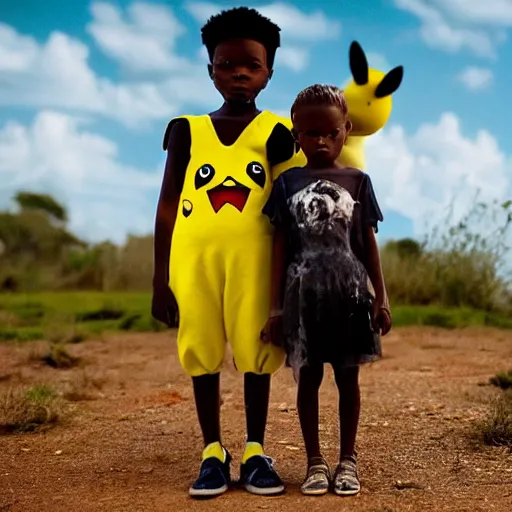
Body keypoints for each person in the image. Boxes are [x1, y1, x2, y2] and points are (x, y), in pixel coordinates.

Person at [151, 6, 305, 499]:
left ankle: (256, 451)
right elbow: (168, 205)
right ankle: (212, 453)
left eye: (252, 65)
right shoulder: (185, 129)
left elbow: (291, 206)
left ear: (269, 72)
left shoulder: (278, 133)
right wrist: (160, 277)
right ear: (210, 68)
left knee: (257, 345)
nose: (239, 73)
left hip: (257, 261)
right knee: (201, 347)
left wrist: (292, 281)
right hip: (191, 261)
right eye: (226, 63)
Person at [261, 84, 392, 497]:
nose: (320, 141)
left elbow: (367, 241)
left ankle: (347, 461)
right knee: (309, 378)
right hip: (304, 295)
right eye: (310, 133)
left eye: (330, 133)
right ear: (296, 134)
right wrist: (276, 309)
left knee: (348, 378)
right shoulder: (286, 184)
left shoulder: (357, 181)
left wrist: (381, 297)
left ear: (346, 130)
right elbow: (279, 246)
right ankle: (314, 462)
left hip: (351, 293)